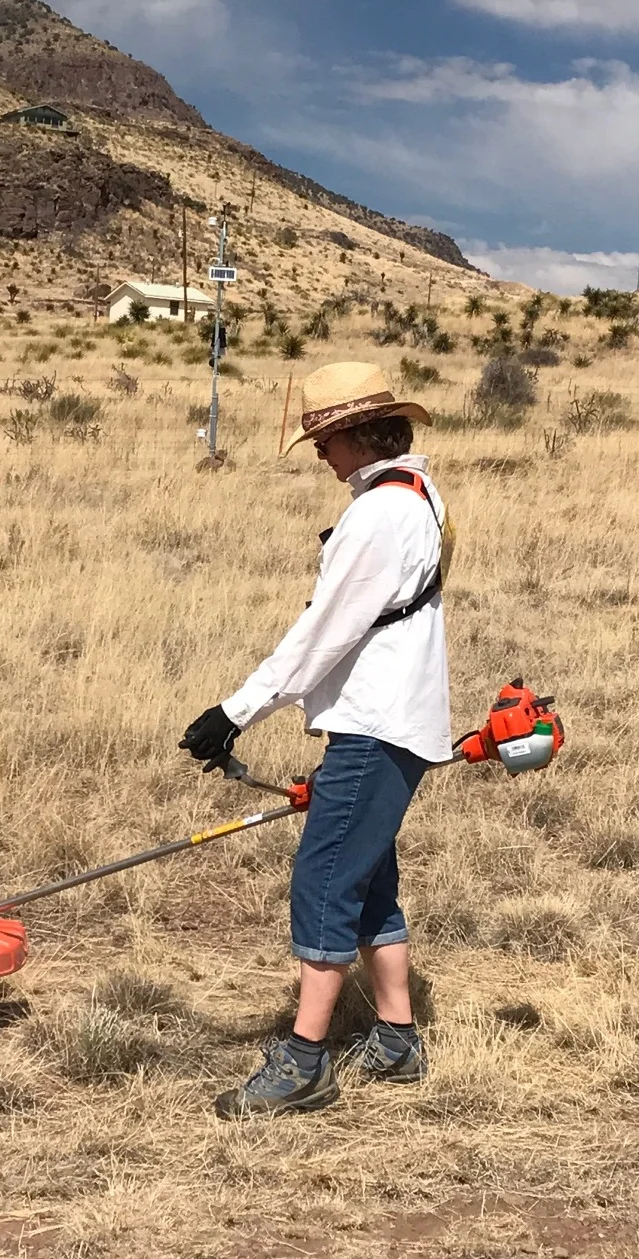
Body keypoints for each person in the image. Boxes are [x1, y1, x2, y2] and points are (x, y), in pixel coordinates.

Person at [179, 358, 451, 1117]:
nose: (323, 456)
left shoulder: (380, 514)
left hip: (374, 723)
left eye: (325, 440)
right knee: (365, 881)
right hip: (391, 719)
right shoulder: (413, 495)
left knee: (325, 881)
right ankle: (397, 1038)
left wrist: (237, 711)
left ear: (359, 434)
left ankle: (305, 1062)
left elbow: (323, 633)